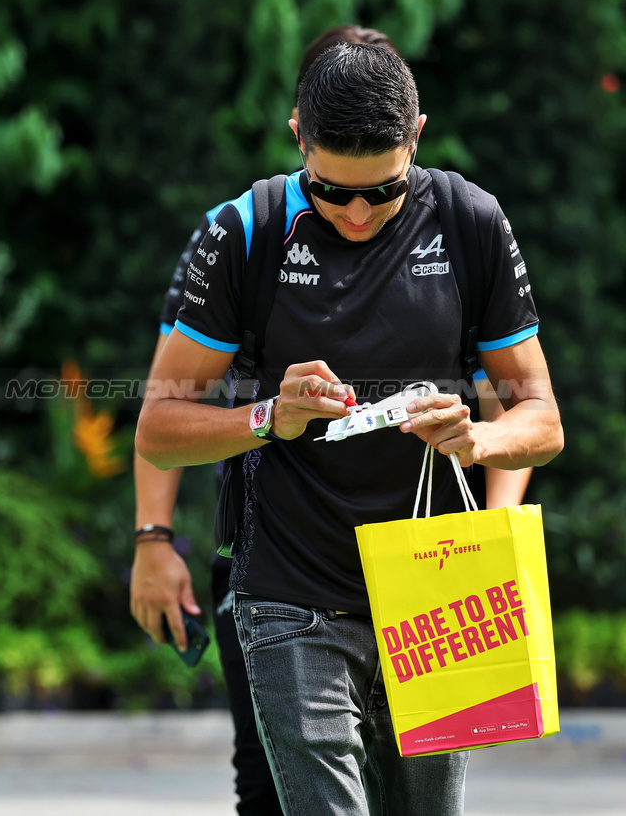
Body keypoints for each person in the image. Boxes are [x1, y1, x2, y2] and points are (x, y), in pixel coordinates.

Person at [135, 43, 562, 814]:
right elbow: (159, 429)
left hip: (438, 591)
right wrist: (269, 417)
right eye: (333, 192)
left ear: (419, 136)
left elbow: (541, 418)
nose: (357, 214)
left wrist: (479, 439)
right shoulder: (246, 230)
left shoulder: (471, 222)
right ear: (299, 134)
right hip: (291, 596)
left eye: (384, 192)